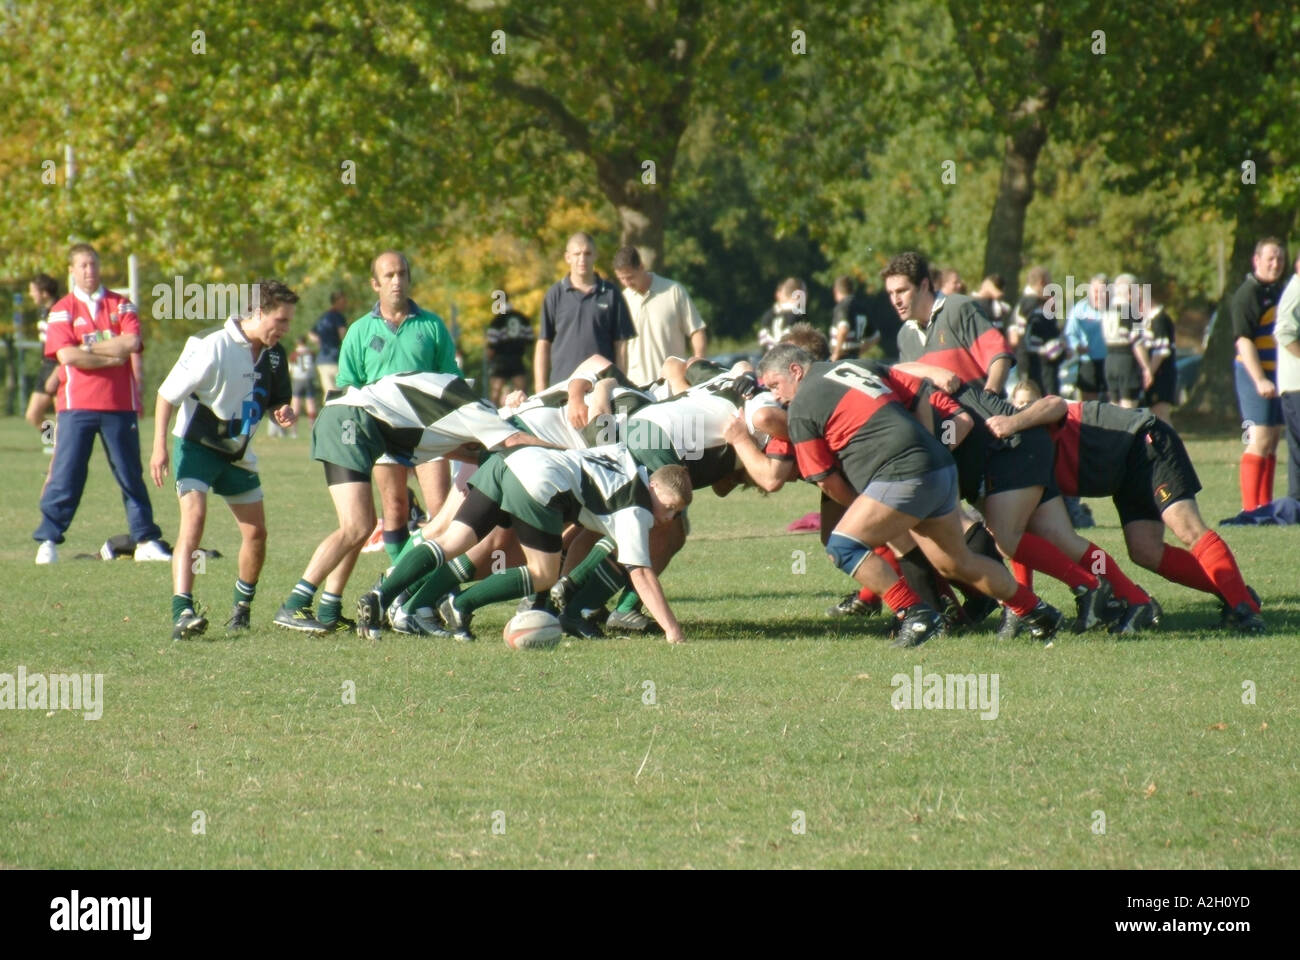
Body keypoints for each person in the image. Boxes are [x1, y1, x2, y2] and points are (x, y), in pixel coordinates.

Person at [760, 342, 1066, 648]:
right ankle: (1037, 611)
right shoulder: (858, 365)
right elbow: (920, 390)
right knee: (956, 563)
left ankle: (915, 614)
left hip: (901, 474)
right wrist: (927, 439)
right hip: (941, 467)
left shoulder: (800, 408)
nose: (775, 395)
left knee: (843, 545)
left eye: (775, 385)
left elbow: (826, 480)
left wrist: (865, 507)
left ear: (796, 371)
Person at [276, 371, 549, 633]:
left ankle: (328, 611)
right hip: (352, 419)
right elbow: (512, 440)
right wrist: (570, 453)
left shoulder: (450, 404)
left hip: (349, 416)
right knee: (356, 526)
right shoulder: (476, 410)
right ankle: (294, 604)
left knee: (363, 525)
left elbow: (467, 451)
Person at [985, 391, 1266, 634]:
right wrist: (1020, 598)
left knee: (1187, 528)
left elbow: (1055, 404)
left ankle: (1245, 610)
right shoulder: (1010, 465)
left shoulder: (1022, 427)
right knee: (1145, 551)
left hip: (1145, 441)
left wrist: (1011, 422)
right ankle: (1232, 592)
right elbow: (1020, 532)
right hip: (1124, 473)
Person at [360, 446, 693, 644]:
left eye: (676, 512)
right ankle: (461, 605)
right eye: (667, 506)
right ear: (653, 485)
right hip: (539, 482)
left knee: (452, 541)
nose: (668, 517)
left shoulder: (624, 458)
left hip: (508, 462)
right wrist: (673, 631)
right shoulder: (636, 510)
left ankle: (379, 597)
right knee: (544, 574)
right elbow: (642, 574)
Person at [149, 280, 298, 641]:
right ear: (258, 312)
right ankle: (182, 611)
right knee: (194, 521)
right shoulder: (211, 345)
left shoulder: (275, 355)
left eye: (289, 322)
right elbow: (167, 396)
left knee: (256, 533)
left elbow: (277, 399)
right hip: (196, 447)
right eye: (279, 320)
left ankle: (241, 610)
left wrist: (283, 411)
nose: (284, 329)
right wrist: (158, 447)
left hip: (238, 453)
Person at [33, 243, 169, 565]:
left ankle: (146, 539)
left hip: (119, 404)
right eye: (82, 265)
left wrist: (87, 351)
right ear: (71, 271)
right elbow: (66, 356)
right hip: (76, 404)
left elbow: (132, 343)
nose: (89, 271)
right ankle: (48, 540)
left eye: (93, 264)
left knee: (129, 473)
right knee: (67, 473)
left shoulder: (121, 305)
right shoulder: (62, 309)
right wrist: (110, 355)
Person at [337, 251, 459, 562]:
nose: (397, 281)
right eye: (389, 275)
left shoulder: (431, 324)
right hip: (382, 432)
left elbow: (450, 378)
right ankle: (400, 579)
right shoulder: (359, 331)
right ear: (375, 283)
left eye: (402, 274)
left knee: (441, 508)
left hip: (428, 429)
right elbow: (348, 386)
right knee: (395, 509)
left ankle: (438, 582)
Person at [1227, 238, 1286, 511]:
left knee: (1273, 439)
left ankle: (1265, 505)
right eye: (1270, 258)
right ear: (1256, 260)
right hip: (1254, 375)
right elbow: (1243, 340)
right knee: (1259, 437)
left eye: (1280, 259)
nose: (1275, 264)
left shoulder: (1278, 292)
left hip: (1277, 376)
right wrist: (1259, 378)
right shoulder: (1247, 294)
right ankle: (1251, 509)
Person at [535, 233, 635, 390]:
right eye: (577, 254)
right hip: (561, 387)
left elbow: (621, 345)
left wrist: (619, 386)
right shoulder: (555, 294)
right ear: (568, 257)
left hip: (600, 387)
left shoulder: (611, 293)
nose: (582, 259)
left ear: (595, 256)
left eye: (587, 253)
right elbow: (543, 343)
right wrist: (540, 389)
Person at [612, 245, 707, 386]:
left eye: (630, 277)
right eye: (621, 279)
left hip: (672, 384)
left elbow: (696, 330)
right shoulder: (622, 300)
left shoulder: (673, 291)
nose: (626, 283)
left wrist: (698, 363)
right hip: (636, 387)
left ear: (641, 267)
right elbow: (620, 348)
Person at [1101, 273, 1154, 410]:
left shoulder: (1107, 311)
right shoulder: (1130, 311)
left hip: (1110, 360)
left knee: (1114, 406)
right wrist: (1147, 367)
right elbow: (1137, 343)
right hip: (1127, 361)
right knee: (1128, 408)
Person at [1275, 251, 1300, 503]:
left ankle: (1296, 500)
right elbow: (1284, 331)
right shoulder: (1296, 291)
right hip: (1296, 385)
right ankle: (1296, 500)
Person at [23, 273, 60, 430]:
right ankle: (53, 443)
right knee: (33, 415)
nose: (30, 294)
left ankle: (63, 450)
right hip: (45, 367)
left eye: (33, 290)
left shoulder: (60, 311)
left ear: (44, 292)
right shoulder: (43, 311)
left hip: (58, 366)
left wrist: (57, 371)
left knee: (63, 417)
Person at [1063, 274, 1109, 400]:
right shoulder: (1080, 309)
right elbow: (1070, 333)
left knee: (1112, 400)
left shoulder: (1115, 309)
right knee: (1089, 401)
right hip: (1088, 360)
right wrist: (1077, 346)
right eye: (1095, 291)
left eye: (1102, 291)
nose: (1098, 295)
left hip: (1110, 360)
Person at [485, 291, 535, 405]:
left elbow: (492, 344)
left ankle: (492, 416)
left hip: (500, 360)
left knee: (495, 393)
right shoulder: (521, 317)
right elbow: (530, 338)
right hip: (517, 358)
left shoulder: (497, 321)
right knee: (521, 392)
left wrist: (489, 359)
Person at [1138, 286, 1177, 425]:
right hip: (1154, 373)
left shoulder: (1160, 320)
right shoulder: (1148, 321)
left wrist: (1149, 372)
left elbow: (1161, 351)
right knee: (1154, 414)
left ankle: (1171, 446)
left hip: (1161, 373)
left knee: (1161, 413)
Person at [310, 291, 348, 396]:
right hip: (335, 358)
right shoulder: (338, 317)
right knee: (343, 392)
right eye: (343, 301)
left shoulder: (323, 317)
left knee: (329, 394)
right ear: (337, 302)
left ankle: (329, 412)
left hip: (322, 359)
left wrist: (321, 343)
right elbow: (343, 334)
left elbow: (311, 334)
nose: (345, 304)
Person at [286, 334, 318, 434]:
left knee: (295, 404)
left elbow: (290, 369)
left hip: (297, 379)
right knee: (311, 402)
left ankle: (294, 429)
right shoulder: (311, 353)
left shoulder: (294, 354)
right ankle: (312, 426)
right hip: (308, 379)